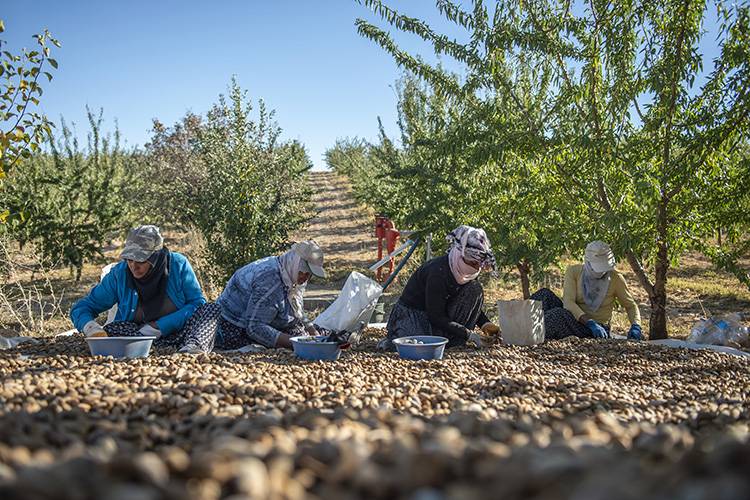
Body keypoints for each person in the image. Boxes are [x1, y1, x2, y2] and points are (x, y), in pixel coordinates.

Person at [176, 241, 327, 353]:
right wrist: (296, 343)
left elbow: (297, 308)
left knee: (312, 335)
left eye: (309, 275)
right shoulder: (270, 279)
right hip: (233, 328)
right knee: (210, 309)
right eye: (303, 272)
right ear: (295, 263)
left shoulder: (292, 276)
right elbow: (254, 327)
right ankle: (194, 348)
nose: (305, 278)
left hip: (271, 323)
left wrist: (312, 333)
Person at [70, 225, 208, 348]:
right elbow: (82, 307)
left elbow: (197, 303)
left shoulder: (178, 265)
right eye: (129, 259)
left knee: (210, 310)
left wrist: (160, 326)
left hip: (180, 334)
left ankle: (193, 348)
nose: (133, 267)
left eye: (140, 260)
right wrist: (90, 327)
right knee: (113, 328)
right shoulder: (119, 274)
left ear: (155, 257)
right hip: (138, 337)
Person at [379, 225, 501, 350]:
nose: (476, 268)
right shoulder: (438, 273)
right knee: (415, 344)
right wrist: (469, 335)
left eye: (478, 265)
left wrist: (485, 324)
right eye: (473, 263)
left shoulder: (465, 272)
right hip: (415, 317)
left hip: (440, 315)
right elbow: (435, 315)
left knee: (474, 289)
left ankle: (452, 340)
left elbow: (469, 303)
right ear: (460, 255)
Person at [530, 240, 644, 341]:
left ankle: (529, 333)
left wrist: (636, 326)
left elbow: (630, 305)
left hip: (597, 329)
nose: (601, 272)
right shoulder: (574, 272)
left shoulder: (615, 278)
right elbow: (568, 302)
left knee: (558, 316)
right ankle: (521, 324)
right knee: (544, 295)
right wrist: (589, 322)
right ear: (587, 262)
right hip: (581, 320)